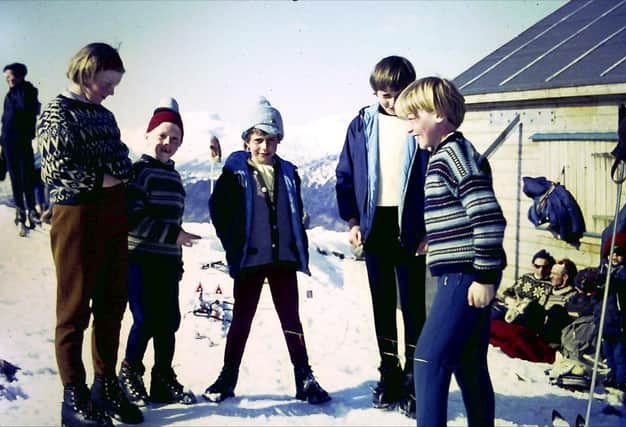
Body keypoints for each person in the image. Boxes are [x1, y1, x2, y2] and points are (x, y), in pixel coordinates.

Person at [36, 42, 142, 427]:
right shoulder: (56, 113)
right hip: (76, 216)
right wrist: (105, 177)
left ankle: (105, 385)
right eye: (108, 82)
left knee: (113, 303)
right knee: (75, 307)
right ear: (87, 71)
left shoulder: (106, 117)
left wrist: (110, 173)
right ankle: (73, 397)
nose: (112, 90)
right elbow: (55, 171)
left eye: (115, 84)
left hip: (112, 215)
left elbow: (122, 159)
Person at [395, 76, 507, 427]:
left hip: (466, 277)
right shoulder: (449, 154)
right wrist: (437, 237)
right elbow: (462, 213)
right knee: (468, 363)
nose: (410, 128)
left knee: (428, 360)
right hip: (465, 271)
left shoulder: (452, 156)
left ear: (439, 114)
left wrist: (485, 276)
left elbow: (488, 216)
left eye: (413, 118)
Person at [205, 96, 330, 405]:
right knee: (241, 319)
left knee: (291, 319)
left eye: (271, 140)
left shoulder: (288, 172)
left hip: (283, 259)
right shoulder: (234, 174)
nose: (265, 147)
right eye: (258, 140)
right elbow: (218, 211)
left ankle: (304, 377)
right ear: (247, 140)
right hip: (251, 258)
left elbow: (294, 209)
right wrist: (233, 246)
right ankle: (227, 377)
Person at [335, 55, 428, 416]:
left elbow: (433, 180)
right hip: (376, 226)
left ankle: (414, 381)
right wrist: (353, 220)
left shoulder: (420, 123)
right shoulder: (362, 124)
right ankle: (389, 374)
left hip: (411, 228)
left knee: (414, 307)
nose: (390, 100)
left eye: (397, 92)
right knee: (383, 305)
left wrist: (428, 230)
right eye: (383, 93)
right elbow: (345, 174)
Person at [118, 99, 201, 407]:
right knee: (145, 319)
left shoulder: (174, 177)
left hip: (166, 263)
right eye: (163, 135)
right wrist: (174, 236)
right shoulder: (139, 173)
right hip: (139, 260)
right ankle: (130, 374)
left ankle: (163, 378)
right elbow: (133, 218)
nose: (168, 143)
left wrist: (176, 258)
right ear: (149, 134)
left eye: (175, 138)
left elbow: (173, 221)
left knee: (169, 321)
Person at [1, 62, 40, 236]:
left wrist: (20, 88)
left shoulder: (28, 91)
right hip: (8, 141)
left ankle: (31, 210)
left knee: (26, 175)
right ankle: (20, 210)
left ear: (20, 76)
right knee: (15, 176)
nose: (8, 80)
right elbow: (5, 121)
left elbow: (26, 108)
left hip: (22, 140)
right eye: (6, 77)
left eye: (10, 76)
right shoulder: (9, 96)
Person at [595, 238, 626, 390]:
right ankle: (612, 375)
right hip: (605, 321)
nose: (614, 257)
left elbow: (622, 284)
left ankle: (620, 381)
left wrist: (606, 281)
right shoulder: (603, 269)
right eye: (612, 253)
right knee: (608, 353)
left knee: (620, 354)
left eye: (619, 254)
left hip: (621, 323)